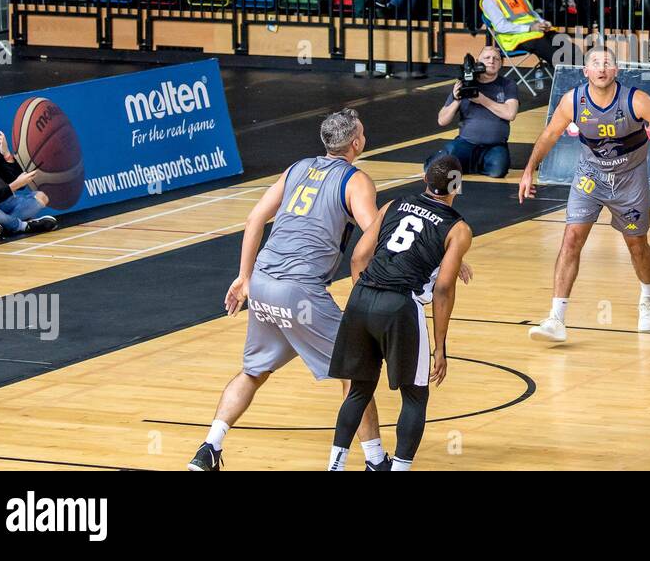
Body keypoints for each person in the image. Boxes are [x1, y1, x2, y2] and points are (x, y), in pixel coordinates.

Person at [187, 109, 383, 471]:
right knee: (357, 370)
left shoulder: (297, 168)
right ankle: (375, 460)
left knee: (253, 371)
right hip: (300, 290)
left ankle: (209, 449)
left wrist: (244, 277)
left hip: (262, 282)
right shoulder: (356, 181)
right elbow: (371, 239)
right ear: (356, 142)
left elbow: (254, 218)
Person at [520, 47, 650, 342]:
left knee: (637, 245)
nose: (602, 68)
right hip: (590, 178)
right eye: (595, 63)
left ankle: (648, 297)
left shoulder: (635, 100)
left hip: (629, 181)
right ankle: (556, 318)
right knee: (571, 239)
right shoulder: (573, 101)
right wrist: (529, 169)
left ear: (616, 71)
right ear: (586, 72)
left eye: (607, 63)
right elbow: (549, 135)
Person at [326, 155, 473, 473]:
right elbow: (443, 289)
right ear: (457, 187)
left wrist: (365, 305)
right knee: (415, 396)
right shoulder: (458, 230)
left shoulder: (393, 204)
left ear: (424, 181)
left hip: (361, 297)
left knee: (358, 390)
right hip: (401, 306)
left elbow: (358, 258)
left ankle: (335, 467)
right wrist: (441, 347)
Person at [433, 45, 520, 177]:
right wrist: (457, 100)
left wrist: (481, 99)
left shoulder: (508, 84)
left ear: (501, 64)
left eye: (496, 58)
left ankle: (467, 165)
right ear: (478, 62)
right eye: (487, 58)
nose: (491, 61)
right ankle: (462, 162)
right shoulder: (465, 83)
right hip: (466, 142)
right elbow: (442, 120)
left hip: (494, 145)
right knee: (438, 167)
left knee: (498, 171)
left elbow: (510, 114)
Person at [480, 0, 559, 71]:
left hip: (534, 33)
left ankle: (582, 78)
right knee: (555, 54)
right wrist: (530, 28)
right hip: (513, 38)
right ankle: (570, 81)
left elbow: (532, 14)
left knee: (566, 44)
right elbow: (501, 27)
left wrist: (542, 22)